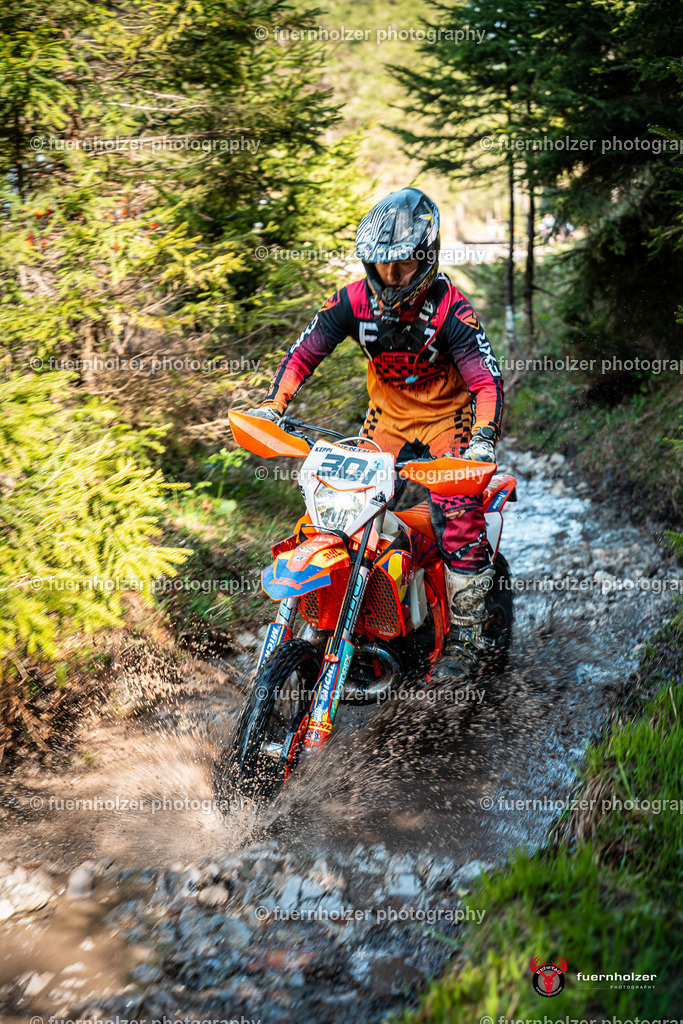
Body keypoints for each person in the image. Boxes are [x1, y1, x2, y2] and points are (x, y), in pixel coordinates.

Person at [247, 187, 504, 675]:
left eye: (403, 266)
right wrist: (273, 406)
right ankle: (353, 619)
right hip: (385, 421)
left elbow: (486, 381)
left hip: (448, 421)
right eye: (384, 266)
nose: (392, 277)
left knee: (458, 511)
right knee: (344, 511)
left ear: (426, 258)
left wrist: (483, 439)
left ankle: (468, 637)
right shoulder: (352, 301)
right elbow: (305, 352)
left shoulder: (452, 310)